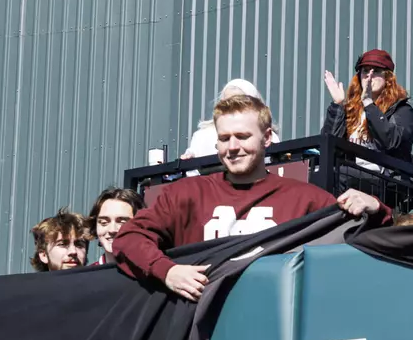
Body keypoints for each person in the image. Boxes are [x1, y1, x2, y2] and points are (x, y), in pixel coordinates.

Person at [116, 93, 386, 301]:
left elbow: (367, 248)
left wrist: (377, 210)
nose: (233, 147)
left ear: (267, 138)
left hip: (276, 328)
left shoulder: (305, 199)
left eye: (243, 136)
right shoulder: (184, 194)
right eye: (224, 138)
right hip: (201, 334)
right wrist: (168, 271)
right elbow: (129, 238)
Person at [321, 49, 413, 163]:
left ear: (387, 78)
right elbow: (327, 149)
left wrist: (368, 103)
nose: (369, 76)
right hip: (351, 173)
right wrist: (337, 105)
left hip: (384, 176)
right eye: (365, 71)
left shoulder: (402, 110)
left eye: (376, 71)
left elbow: (391, 141)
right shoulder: (352, 110)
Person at [180, 78, 279, 163]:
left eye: (239, 103)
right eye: (227, 103)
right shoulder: (202, 136)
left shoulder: (269, 136)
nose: (232, 147)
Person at [87, 187, 141, 264]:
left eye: (122, 222)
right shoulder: (88, 275)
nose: (112, 229)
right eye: (104, 222)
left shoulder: (158, 273)